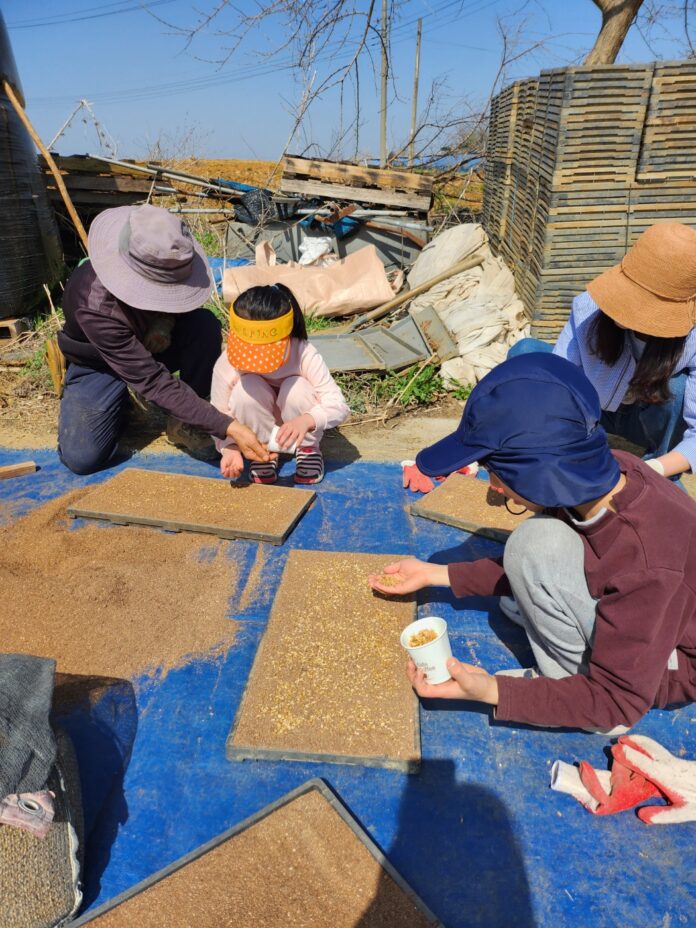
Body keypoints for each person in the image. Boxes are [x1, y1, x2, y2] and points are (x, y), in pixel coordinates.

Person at [370, 352, 696, 734]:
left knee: (533, 545)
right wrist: (434, 574)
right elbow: (584, 560)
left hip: (668, 667)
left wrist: (491, 690)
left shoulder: (648, 563)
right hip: (651, 616)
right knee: (537, 548)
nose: (492, 487)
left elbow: (616, 703)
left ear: (537, 475)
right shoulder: (607, 471)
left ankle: (566, 679)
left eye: (495, 473)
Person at [57, 204, 269, 475]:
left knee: (203, 325)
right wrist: (228, 425)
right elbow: (154, 381)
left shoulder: (167, 253)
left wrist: (164, 322)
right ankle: (118, 401)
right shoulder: (94, 306)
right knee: (83, 458)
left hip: (153, 345)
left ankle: (185, 424)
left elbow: (185, 306)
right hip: (99, 363)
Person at [509, 222, 696, 483]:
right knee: (525, 354)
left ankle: (657, 474)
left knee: (676, 388)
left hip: (644, 421)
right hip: (591, 410)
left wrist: (655, 469)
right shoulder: (588, 308)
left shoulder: (692, 337)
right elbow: (558, 378)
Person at [210, 283, 350, 484]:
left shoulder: (302, 352)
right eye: (250, 351)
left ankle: (308, 449)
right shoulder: (227, 361)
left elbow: (339, 405)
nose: (257, 362)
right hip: (257, 430)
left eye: (264, 352)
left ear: (286, 335)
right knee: (245, 388)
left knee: (297, 387)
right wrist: (229, 447)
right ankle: (262, 450)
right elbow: (218, 413)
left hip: (299, 427)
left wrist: (307, 420)